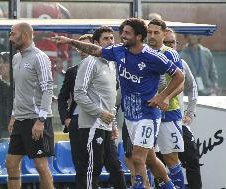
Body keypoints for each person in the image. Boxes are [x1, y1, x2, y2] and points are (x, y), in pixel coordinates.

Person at [52, 17, 184, 189]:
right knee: (149, 158)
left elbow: (179, 76)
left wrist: (163, 96)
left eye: (127, 33)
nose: (122, 36)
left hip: (148, 114)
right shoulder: (119, 51)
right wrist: (70, 41)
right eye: (122, 32)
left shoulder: (153, 57)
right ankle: (169, 185)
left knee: (136, 158)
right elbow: (95, 49)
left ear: (139, 36)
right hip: (130, 116)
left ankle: (139, 186)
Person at [73, 26, 126, 189]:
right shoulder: (89, 62)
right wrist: (100, 113)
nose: (110, 41)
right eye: (106, 39)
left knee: (115, 166)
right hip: (92, 124)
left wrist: (114, 125)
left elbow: (109, 99)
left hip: (107, 125)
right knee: (93, 168)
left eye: (112, 38)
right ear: (95, 43)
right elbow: (79, 94)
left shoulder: (111, 64)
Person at [6, 22, 54, 189]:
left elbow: (48, 89)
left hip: (36, 120)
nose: (10, 38)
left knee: (41, 165)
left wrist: (41, 121)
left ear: (24, 36)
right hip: (20, 119)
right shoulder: (16, 58)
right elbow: (18, 90)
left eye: (13, 34)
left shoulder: (40, 57)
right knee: (11, 163)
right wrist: (13, 115)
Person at [147, 19, 184, 189]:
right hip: (146, 113)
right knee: (147, 156)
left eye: (156, 32)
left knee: (170, 157)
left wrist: (166, 97)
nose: (152, 36)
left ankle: (178, 186)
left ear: (163, 34)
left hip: (169, 112)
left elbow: (181, 83)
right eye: (149, 32)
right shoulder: (141, 52)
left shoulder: (170, 54)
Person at [164, 28, 202, 189]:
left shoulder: (181, 62)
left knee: (192, 160)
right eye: (167, 42)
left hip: (178, 121)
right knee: (159, 164)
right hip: (156, 121)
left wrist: (190, 112)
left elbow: (192, 87)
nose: (171, 46)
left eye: (173, 42)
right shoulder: (151, 62)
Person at [58, 34, 92, 179]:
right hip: (76, 122)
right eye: (79, 46)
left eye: (86, 46)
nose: (82, 50)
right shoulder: (72, 72)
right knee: (80, 165)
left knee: (100, 163)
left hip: (98, 121)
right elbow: (62, 97)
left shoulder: (105, 68)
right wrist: (66, 119)